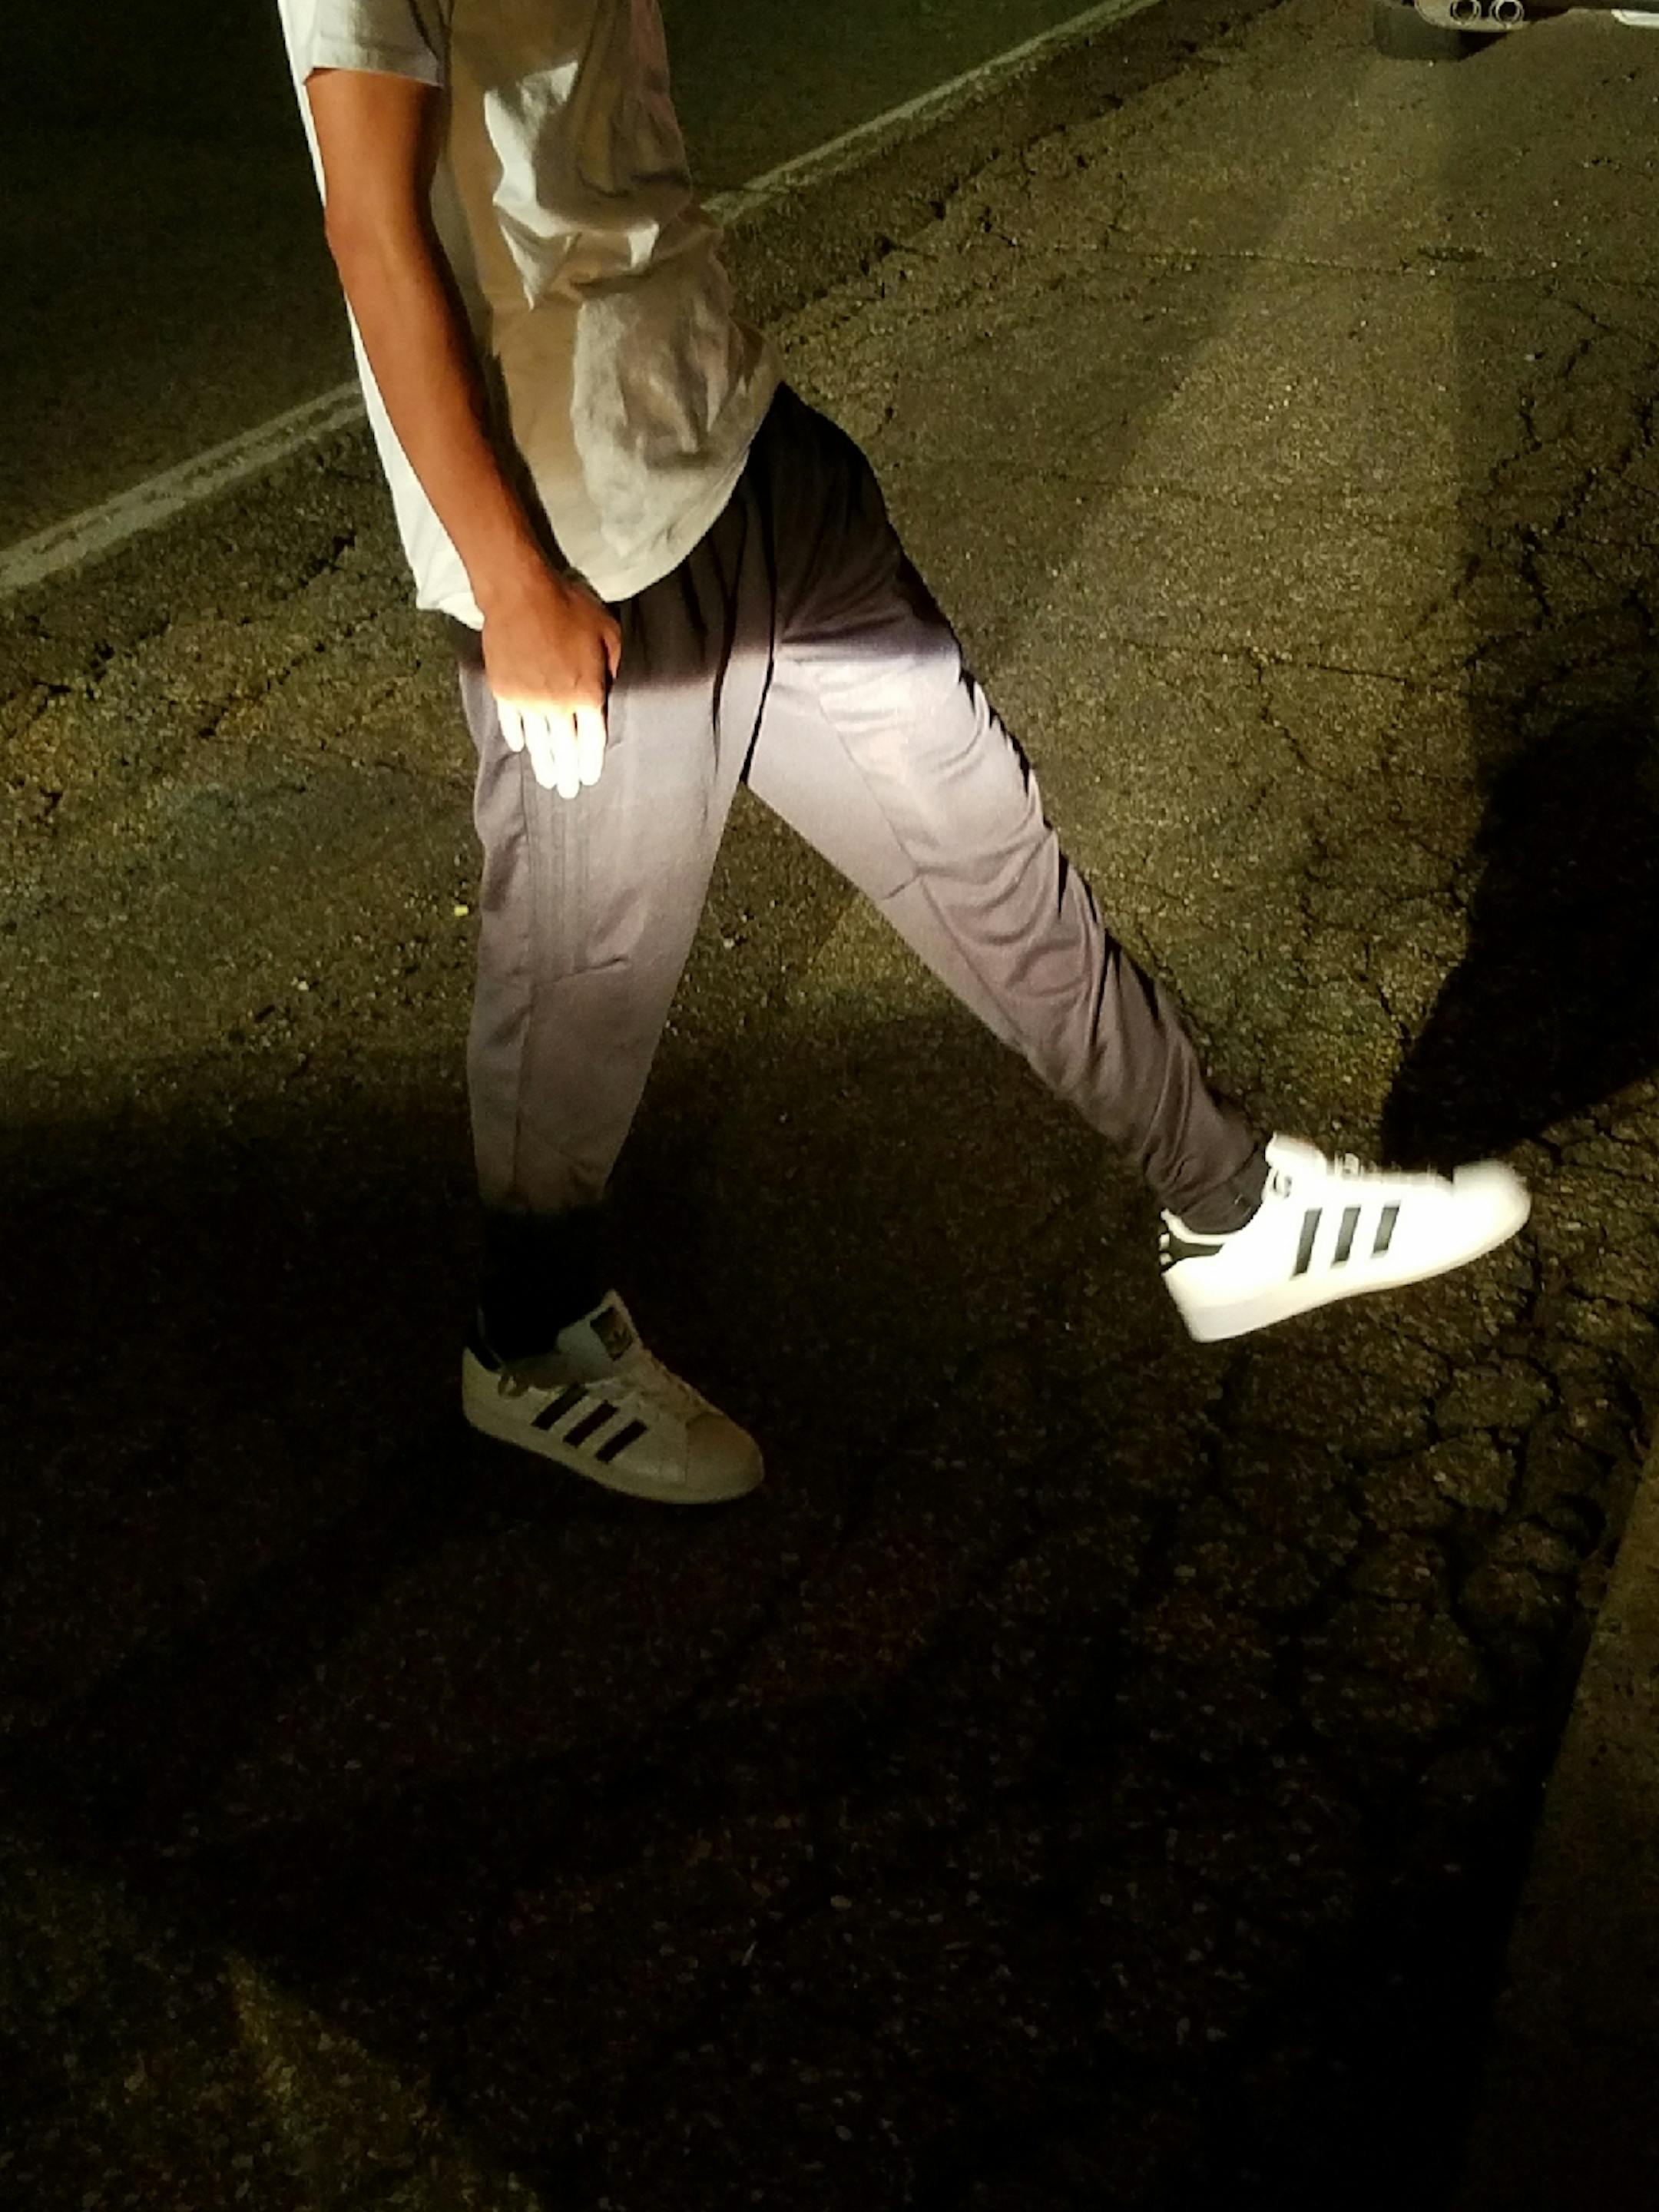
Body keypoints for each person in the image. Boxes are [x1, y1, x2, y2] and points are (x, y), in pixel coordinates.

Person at [274, 0, 1528, 1505]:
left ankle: (1230, 1204)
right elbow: (371, 225)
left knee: (987, 845)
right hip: (579, 531)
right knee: (583, 986)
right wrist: (510, 579)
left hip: (740, 438)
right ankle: (531, 1344)